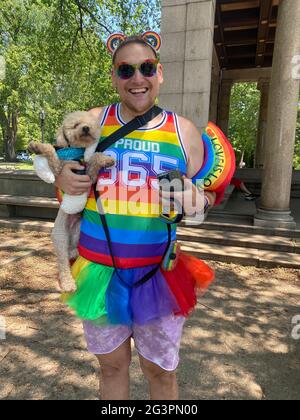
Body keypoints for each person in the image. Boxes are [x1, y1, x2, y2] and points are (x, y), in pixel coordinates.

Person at [55, 32, 230, 400]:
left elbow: (210, 192)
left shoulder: (184, 132)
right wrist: (62, 176)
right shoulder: (91, 121)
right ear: (114, 76)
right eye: (126, 70)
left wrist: (199, 200)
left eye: (146, 68)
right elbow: (62, 175)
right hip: (97, 273)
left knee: (160, 372)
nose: (137, 78)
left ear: (160, 73)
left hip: (158, 274)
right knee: (112, 366)